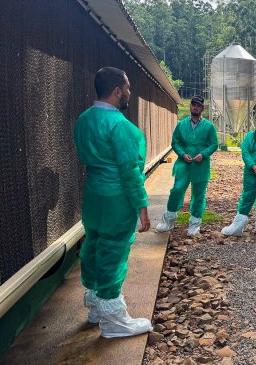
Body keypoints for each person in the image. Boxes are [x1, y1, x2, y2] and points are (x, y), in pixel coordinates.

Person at [73, 67, 152, 338]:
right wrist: (142, 206)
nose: (129, 92)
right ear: (118, 90)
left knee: (94, 245)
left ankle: (96, 305)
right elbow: (131, 171)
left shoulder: (84, 119)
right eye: (127, 87)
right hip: (117, 197)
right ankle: (114, 320)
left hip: (93, 194)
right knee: (114, 251)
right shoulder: (122, 127)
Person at [155, 95, 218, 236]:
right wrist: (182, 154)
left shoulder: (209, 126)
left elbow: (214, 144)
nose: (195, 107)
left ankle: (195, 223)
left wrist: (203, 154)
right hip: (184, 163)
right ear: (190, 106)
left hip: (201, 164)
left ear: (202, 108)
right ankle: (168, 221)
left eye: (198, 105)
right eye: (193, 104)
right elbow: (175, 142)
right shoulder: (181, 124)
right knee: (177, 189)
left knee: (199, 193)